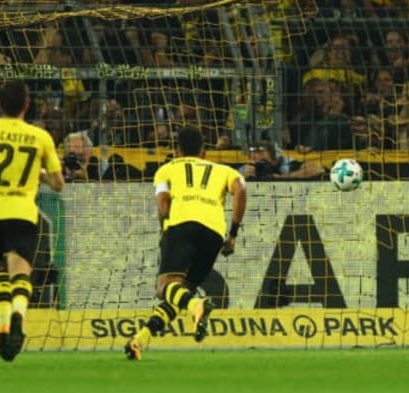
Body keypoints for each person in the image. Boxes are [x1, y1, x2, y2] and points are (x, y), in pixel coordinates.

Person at [0, 80, 64, 362]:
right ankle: (18, 316)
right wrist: (39, 173)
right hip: (21, 212)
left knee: (0, 270)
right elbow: (58, 184)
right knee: (21, 272)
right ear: (26, 106)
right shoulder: (40, 137)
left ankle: (4, 327)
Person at [125, 127, 246, 360]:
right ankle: (139, 340)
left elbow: (163, 204)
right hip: (213, 234)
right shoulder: (223, 170)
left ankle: (197, 307)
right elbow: (240, 187)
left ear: (176, 150)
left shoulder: (166, 169)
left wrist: (165, 232)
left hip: (181, 227)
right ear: (204, 152)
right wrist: (233, 234)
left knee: (164, 288)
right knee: (181, 292)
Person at [239, 140, 324, 180]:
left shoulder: (286, 164)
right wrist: (245, 178)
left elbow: (317, 169)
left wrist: (281, 178)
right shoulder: (248, 168)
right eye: (253, 155)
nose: (256, 157)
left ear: (276, 157)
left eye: (260, 153)